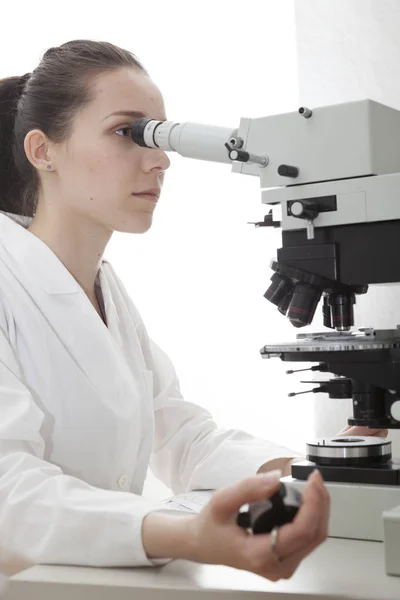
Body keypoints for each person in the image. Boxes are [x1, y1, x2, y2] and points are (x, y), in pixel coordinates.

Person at [0, 39, 385, 580]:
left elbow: (180, 435)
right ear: (43, 151)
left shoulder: (105, 290)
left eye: (159, 136)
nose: (160, 159)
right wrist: (186, 534)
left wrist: (315, 473)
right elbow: (7, 493)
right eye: (126, 132)